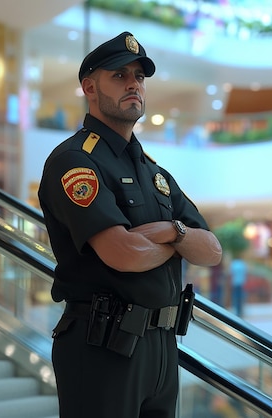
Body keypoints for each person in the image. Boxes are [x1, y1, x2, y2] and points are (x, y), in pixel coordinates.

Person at [37, 32, 222, 418]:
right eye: (119, 76)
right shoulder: (75, 162)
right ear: (90, 87)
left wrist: (172, 231)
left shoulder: (154, 172)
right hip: (102, 345)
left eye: (139, 76)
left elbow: (211, 251)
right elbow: (122, 254)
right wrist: (181, 238)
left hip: (162, 345)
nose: (134, 83)